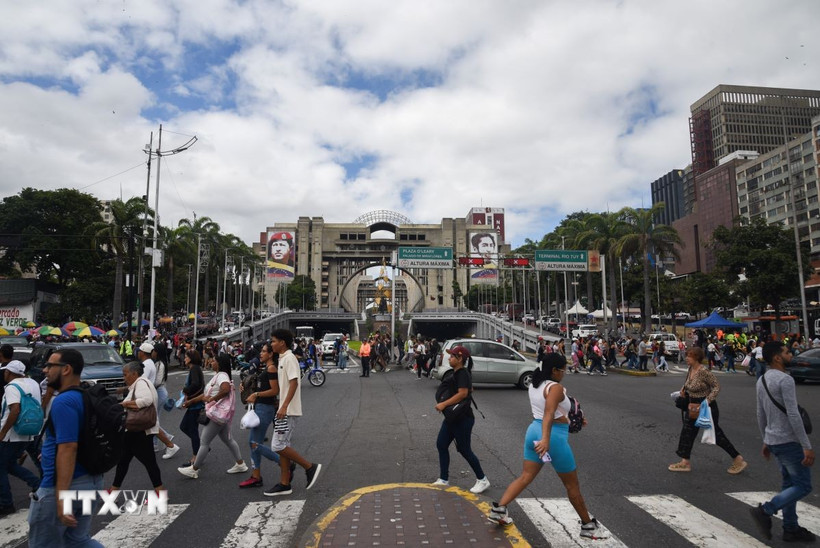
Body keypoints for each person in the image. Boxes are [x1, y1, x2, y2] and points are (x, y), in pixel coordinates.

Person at [488, 353, 600, 538]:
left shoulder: (535, 384)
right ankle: (588, 526)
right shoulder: (554, 387)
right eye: (563, 370)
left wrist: (572, 418)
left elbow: (551, 410)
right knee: (572, 486)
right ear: (554, 370)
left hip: (533, 431)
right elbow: (549, 413)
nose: (564, 373)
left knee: (525, 476)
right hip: (552, 437)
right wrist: (546, 439)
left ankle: (499, 509)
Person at [28, 349, 104, 548]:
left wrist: (62, 498)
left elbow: (68, 447)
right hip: (91, 481)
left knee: (43, 544)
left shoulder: (64, 401)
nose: (45, 370)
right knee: (77, 541)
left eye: (50, 365)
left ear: (66, 369)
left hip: (64, 485)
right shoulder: (85, 396)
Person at [749, 341, 815, 542]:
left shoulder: (762, 380)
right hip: (788, 440)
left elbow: (760, 413)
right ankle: (766, 510)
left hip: (774, 440)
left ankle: (791, 528)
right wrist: (806, 445)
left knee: (789, 483)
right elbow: (793, 415)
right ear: (777, 357)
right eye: (787, 352)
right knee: (803, 485)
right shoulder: (785, 380)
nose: (791, 354)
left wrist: (766, 439)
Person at [668, 346, 748, 474]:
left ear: (696, 358)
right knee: (687, 433)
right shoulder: (690, 369)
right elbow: (689, 384)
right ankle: (685, 462)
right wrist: (683, 391)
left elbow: (716, 387)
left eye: (689, 356)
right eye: (687, 355)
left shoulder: (704, 371)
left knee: (716, 434)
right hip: (692, 405)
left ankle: (738, 459)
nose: (686, 358)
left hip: (706, 406)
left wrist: (707, 401)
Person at [264, 328, 322, 496]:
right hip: (284, 409)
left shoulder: (289, 358)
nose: (272, 344)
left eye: (274, 341)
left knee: (278, 445)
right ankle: (284, 483)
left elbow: (294, 382)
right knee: (284, 445)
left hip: (288, 411)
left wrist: (284, 406)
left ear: (282, 343)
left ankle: (309, 467)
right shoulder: (283, 358)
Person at [178, 354, 247, 479]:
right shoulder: (219, 375)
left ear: (219, 364)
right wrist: (191, 401)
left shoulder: (222, 376)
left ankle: (194, 469)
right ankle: (240, 464)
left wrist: (212, 399)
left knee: (204, 442)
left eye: (214, 361)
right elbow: (205, 395)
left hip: (217, 415)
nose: (211, 362)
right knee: (228, 440)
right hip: (221, 415)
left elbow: (225, 389)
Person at [432, 346, 490, 494]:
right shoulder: (458, 373)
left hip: (463, 419)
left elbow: (463, 393)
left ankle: (482, 479)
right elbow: (468, 390)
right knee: (441, 444)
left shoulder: (462, 373)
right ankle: (443, 479)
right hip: (452, 418)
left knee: (465, 450)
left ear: (460, 359)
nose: (449, 358)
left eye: (452, 356)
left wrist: (444, 404)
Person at [110, 361, 164, 494]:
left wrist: (124, 404)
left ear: (134, 374)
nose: (124, 378)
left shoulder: (140, 383)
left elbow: (146, 400)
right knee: (124, 461)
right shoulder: (139, 384)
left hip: (140, 430)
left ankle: (160, 493)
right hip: (136, 430)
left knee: (148, 463)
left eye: (125, 374)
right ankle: (113, 491)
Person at [240, 342, 284, 488]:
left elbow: (275, 390)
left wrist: (256, 394)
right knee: (253, 443)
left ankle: (283, 462)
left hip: (265, 409)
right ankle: (256, 476)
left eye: (264, 351)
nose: (261, 353)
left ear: (271, 354)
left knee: (254, 443)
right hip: (261, 407)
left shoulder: (271, 368)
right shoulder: (266, 367)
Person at [0, 360, 41, 515]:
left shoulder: (12, 387)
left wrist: (3, 432)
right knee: (10, 464)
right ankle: (37, 484)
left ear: (9, 372)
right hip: (29, 432)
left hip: (11, 434)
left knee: (1, 467)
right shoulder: (33, 383)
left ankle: (6, 503)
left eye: (5, 371)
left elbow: (15, 410)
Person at [150, 344, 179, 459]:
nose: (152, 353)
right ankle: (155, 444)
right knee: (155, 418)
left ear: (157, 352)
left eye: (153, 351)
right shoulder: (159, 363)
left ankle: (167, 437)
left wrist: (148, 386)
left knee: (152, 420)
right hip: (161, 391)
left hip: (159, 392)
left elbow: (157, 381)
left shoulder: (159, 364)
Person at [179, 350, 205, 467]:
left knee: (192, 430)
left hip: (195, 405)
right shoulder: (195, 368)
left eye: (186, 357)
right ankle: (202, 447)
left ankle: (196, 457)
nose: (184, 359)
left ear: (191, 358)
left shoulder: (194, 368)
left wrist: (186, 391)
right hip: (194, 404)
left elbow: (195, 384)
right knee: (184, 426)